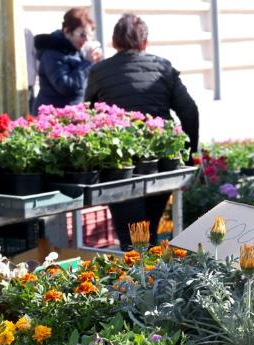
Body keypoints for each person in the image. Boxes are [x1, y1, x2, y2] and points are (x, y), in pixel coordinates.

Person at [85, 13, 199, 248]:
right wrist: (188, 153)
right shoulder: (163, 68)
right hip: (160, 162)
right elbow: (189, 111)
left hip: (119, 163)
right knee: (150, 229)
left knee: (131, 240)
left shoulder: (100, 71)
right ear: (144, 42)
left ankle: (140, 278)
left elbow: (88, 116)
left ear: (115, 42)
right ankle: (151, 276)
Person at [32, 7, 103, 114]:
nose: (87, 40)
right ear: (67, 31)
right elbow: (66, 86)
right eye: (82, 35)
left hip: (71, 114)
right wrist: (87, 63)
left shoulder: (77, 51)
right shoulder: (53, 52)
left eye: (90, 35)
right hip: (53, 118)